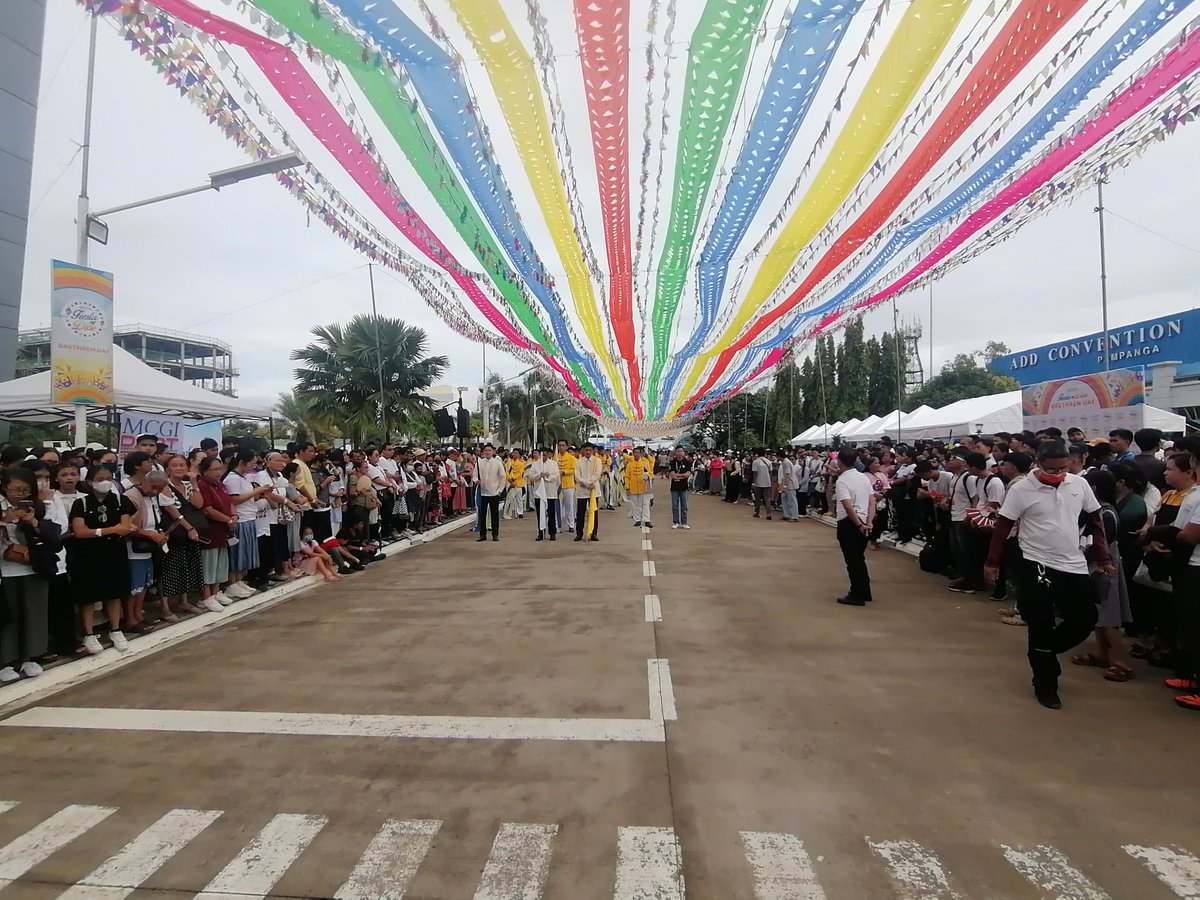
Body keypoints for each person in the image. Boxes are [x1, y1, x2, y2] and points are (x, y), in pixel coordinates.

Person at [985, 441, 1113, 710]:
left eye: (1063, 469)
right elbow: (1003, 526)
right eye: (1050, 469)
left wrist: (1103, 556)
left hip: (1073, 562)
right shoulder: (1021, 489)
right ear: (1038, 463)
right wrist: (992, 561)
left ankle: (1045, 651)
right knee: (1040, 621)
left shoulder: (1079, 485)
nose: (1057, 474)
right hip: (1036, 561)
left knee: (1085, 617)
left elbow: (1095, 521)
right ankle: (1045, 684)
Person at [834, 449, 875, 607]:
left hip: (849, 522)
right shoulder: (863, 478)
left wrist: (858, 524)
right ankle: (864, 591)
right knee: (859, 559)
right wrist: (869, 522)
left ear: (839, 461)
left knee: (853, 561)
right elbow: (872, 501)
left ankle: (857, 594)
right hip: (864, 518)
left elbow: (848, 506)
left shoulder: (842, 481)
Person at [526, 447, 560, 541]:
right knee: (540, 514)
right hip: (539, 493)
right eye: (542, 455)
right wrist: (539, 475)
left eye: (545, 454)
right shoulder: (535, 464)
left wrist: (547, 476)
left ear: (548, 454)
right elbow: (531, 476)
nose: (543, 457)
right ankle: (541, 533)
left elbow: (556, 476)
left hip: (550, 492)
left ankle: (552, 533)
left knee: (551, 513)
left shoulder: (553, 464)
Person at [474, 444, 505, 542]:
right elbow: (474, 475)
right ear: (483, 452)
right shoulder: (479, 463)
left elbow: (502, 477)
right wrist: (476, 481)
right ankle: (482, 534)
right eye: (486, 450)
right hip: (483, 492)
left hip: (494, 492)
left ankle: (495, 534)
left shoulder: (497, 463)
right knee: (482, 515)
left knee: (494, 515)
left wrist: (500, 490)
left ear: (493, 452)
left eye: (489, 450)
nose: (487, 452)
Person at [574, 443, 603, 542]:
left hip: (594, 490)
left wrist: (587, 483)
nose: (588, 452)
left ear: (593, 451)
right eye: (586, 450)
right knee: (580, 513)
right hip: (582, 490)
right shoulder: (578, 462)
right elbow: (577, 475)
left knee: (594, 512)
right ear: (583, 450)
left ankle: (593, 533)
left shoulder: (597, 461)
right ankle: (579, 533)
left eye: (590, 450)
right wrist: (587, 484)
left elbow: (597, 474)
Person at [625, 447, 653, 528]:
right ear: (633, 454)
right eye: (635, 453)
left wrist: (648, 476)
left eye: (638, 452)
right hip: (632, 487)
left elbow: (650, 472)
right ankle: (637, 520)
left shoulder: (645, 463)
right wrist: (627, 487)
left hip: (644, 487)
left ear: (641, 454)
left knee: (645, 504)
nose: (636, 454)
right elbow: (627, 476)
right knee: (635, 505)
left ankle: (647, 520)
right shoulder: (629, 464)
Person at [668, 447, 691, 529]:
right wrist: (681, 475)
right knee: (675, 505)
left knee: (684, 506)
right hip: (674, 487)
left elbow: (688, 474)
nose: (680, 453)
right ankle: (676, 522)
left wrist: (678, 476)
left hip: (684, 487)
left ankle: (684, 522)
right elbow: (672, 475)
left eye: (681, 451)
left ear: (684, 453)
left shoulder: (687, 462)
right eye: (678, 451)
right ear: (675, 453)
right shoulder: (672, 463)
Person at [503, 449, 526, 520]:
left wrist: (513, 478)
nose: (515, 454)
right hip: (509, 483)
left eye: (517, 453)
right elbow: (506, 471)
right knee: (509, 498)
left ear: (519, 454)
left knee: (519, 499)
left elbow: (520, 472)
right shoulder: (509, 462)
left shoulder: (522, 463)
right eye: (514, 453)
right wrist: (509, 479)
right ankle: (506, 512)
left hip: (518, 483)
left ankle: (520, 512)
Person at [750, 449, 772, 520]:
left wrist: (753, 482)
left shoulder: (756, 462)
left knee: (757, 498)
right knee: (767, 498)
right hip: (767, 482)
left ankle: (757, 512)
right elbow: (770, 473)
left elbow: (755, 473)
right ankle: (769, 513)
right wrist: (770, 481)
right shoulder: (768, 462)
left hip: (758, 482)